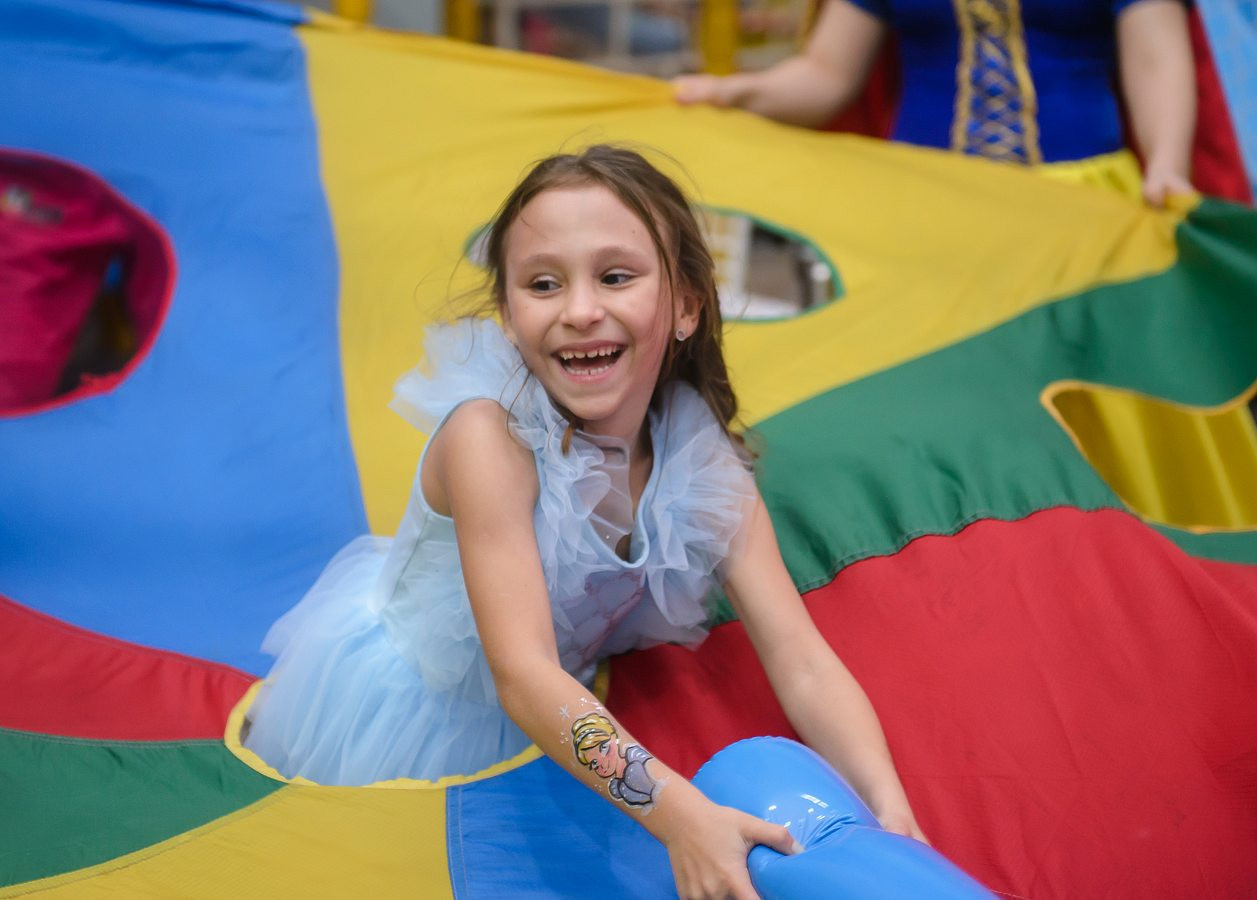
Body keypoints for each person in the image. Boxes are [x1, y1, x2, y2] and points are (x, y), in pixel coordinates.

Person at [243, 145, 923, 897]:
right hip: (421, 716)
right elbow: (524, 673)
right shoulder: (489, 440)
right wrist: (680, 815)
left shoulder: (699, 462)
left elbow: (801, 658)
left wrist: (888, 808)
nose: (578, 310)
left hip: (565, 721)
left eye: (616, 276)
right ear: (509, 316)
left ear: (687, 305)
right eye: (543, 284)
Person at [674, 0, 1197, 207]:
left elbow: (1158, 61)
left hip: (1080, 202)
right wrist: (737, 93)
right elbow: (828, 73)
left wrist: (1168, 166)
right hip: (922, 203)